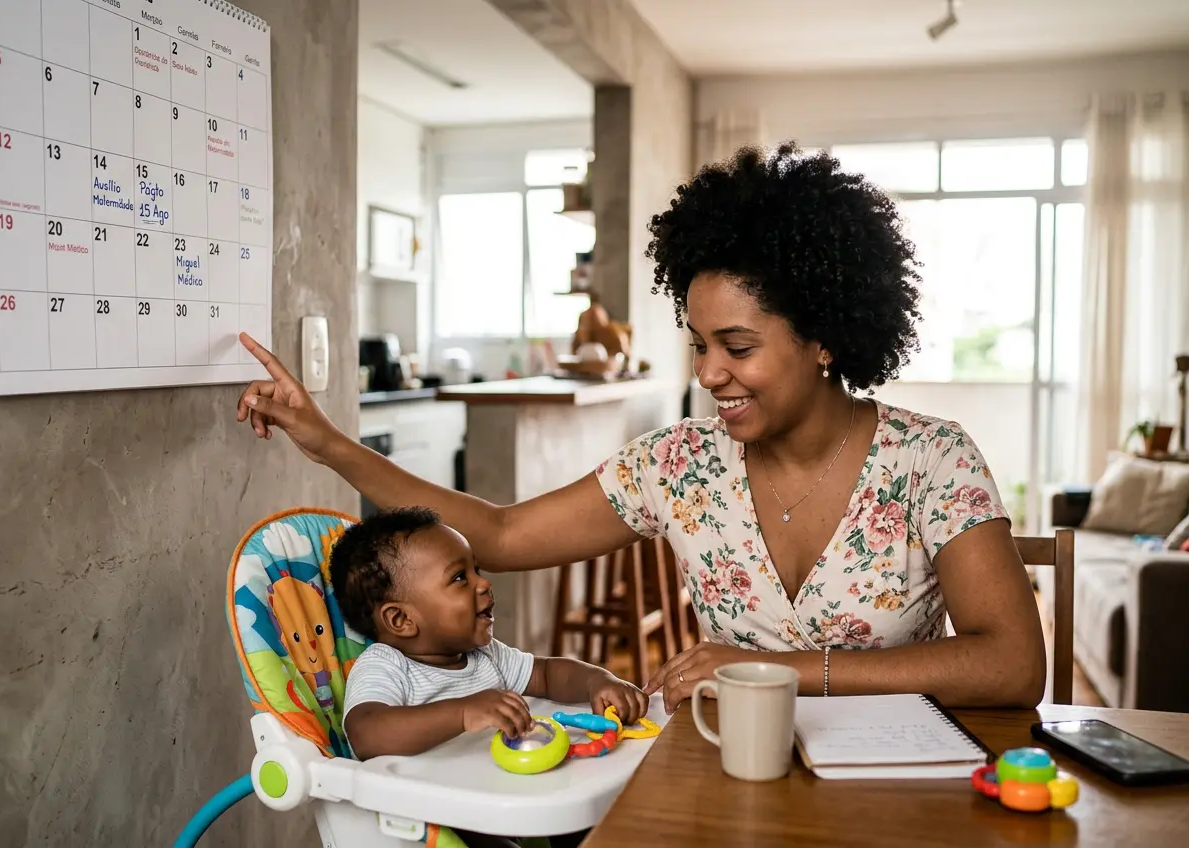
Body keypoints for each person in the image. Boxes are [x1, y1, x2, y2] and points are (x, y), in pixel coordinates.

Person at [236, 142, 1047, 713]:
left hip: (902, 787)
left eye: (737, 346)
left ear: (824, 336)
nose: (707, 374)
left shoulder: (931, 460)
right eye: (698, 345)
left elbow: (1013, 663)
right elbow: (502, 533)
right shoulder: (682, 465)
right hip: (728, 767)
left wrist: (778, 668)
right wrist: (324, 440)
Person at [331, 506, 647, 762]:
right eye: (459, 578)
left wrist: (597, 681)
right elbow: (367, 733)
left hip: (499, 803)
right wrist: (464, 712)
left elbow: (548, 674)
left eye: (476, 571)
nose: (483, 584)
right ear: (400, 619)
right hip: (435, 824)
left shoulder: (485, 656)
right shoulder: (386, 666)